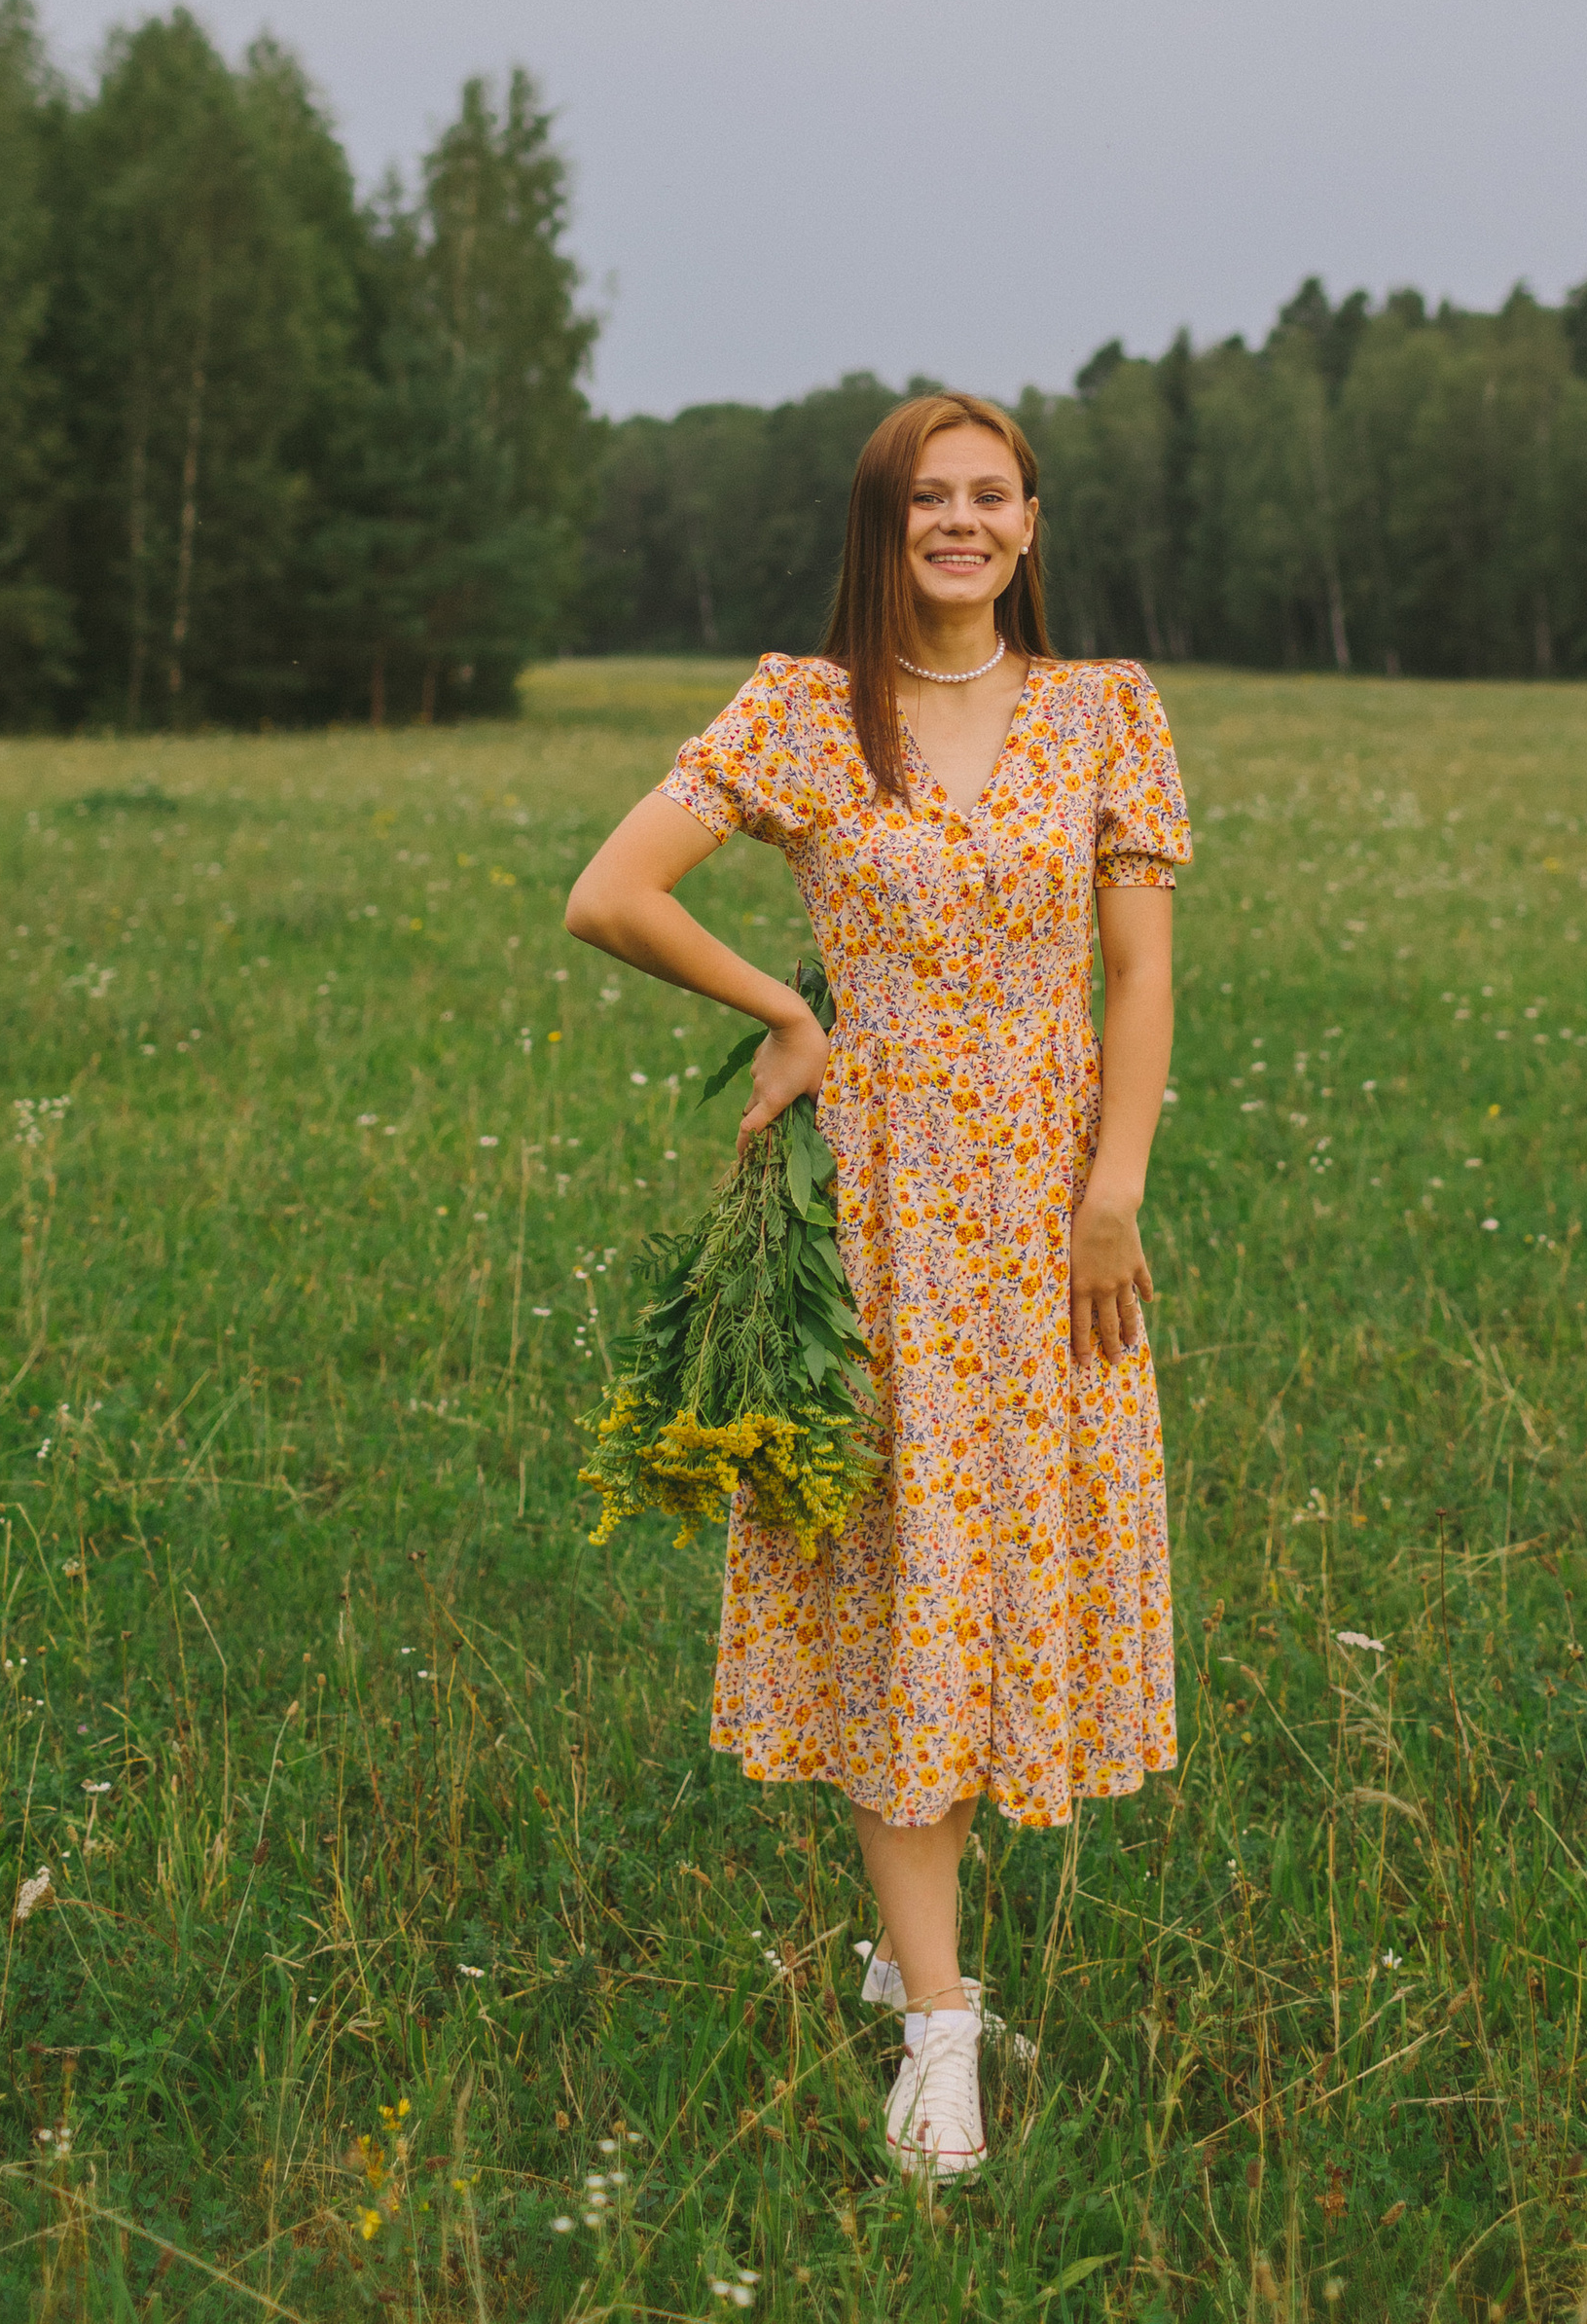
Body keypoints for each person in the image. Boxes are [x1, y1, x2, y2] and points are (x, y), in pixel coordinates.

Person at [564, 389, 1189, 2184]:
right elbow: (612, 895)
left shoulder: (1106, 715)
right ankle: (938, 2027)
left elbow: (1137, 975)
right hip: (883, 1224)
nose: (964, 525)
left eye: (992, 497)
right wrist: (789, 1013)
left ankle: (909, 1949)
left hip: (1060, 1216)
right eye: (931, 500)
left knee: (1009, 1582)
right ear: (883, 523)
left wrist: (1112, 1190)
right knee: (902, 1590)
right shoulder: (803, 710)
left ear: (1034, 522)